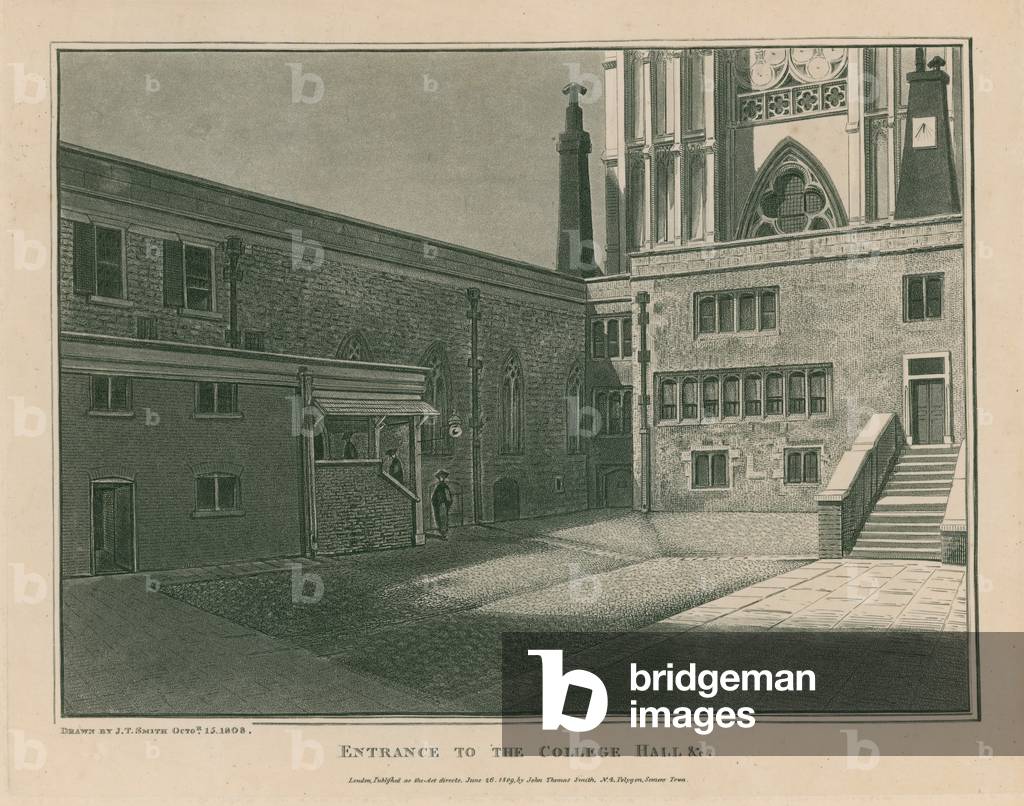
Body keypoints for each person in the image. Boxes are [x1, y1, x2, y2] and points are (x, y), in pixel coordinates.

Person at [430, 470, 453, 541]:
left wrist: (447, 503)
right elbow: (434, 497)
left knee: (443, 519)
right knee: (439, 518)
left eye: (443, 477)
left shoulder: (445, 486)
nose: (442, 478)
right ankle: (443, 533)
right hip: (439, 504)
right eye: (440, 477)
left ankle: (444, 534)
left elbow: (448, 496)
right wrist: (435, 503)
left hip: (443, 504)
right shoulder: (438, 487)